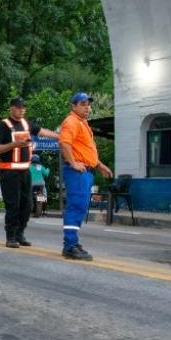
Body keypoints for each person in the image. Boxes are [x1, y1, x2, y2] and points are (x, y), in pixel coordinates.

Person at [0, 97, 59, 248]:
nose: (22, 110)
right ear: (11, 108)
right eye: (18, 107)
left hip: (24, 171)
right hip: (9, 172)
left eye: (23, 107)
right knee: (13, 205)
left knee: (27, 204)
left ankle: (20, 233)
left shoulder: (26, 124)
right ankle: (11, 236)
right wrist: (15, 144)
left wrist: (59, 136)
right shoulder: (4, 125)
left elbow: (42, 131)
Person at [59, 92, 113, 261]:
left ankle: (72, 243)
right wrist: (74, 163)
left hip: (86, 171)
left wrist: (99, 164)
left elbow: (86, 151)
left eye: (88, 104)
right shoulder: (71, 122)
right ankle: (69, 246)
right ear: (74, 106)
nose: (87, 107)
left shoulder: (83, 124)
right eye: (82, 104)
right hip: (77, 172)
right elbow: (64, 143)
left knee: (80, 207)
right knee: (75, 207)